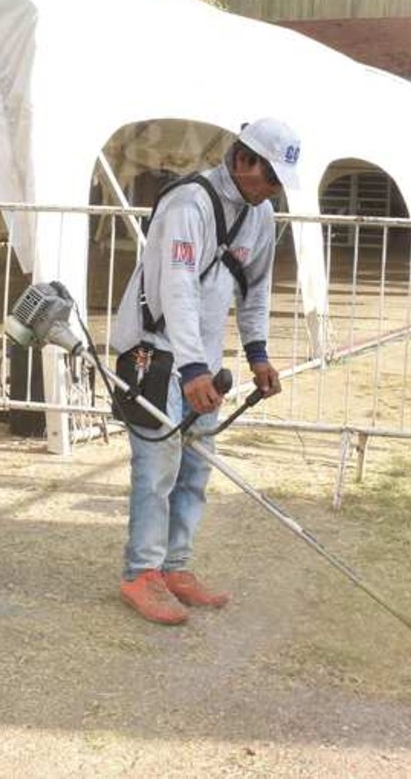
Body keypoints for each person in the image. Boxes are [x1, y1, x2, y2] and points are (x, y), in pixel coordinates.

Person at [107, 118, 293, 626]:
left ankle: (175, 567)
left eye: (280, 183)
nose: (273, 190)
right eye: (270, 177)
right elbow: (178, 288)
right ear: (243, 159)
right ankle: (141, 574)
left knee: (195, 471)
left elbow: (255, 290)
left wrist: (257, 354)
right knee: (157, 469)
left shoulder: (261, 213)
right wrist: (191, 369)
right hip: (158, 353)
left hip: (201, 359)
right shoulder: (188, 204)